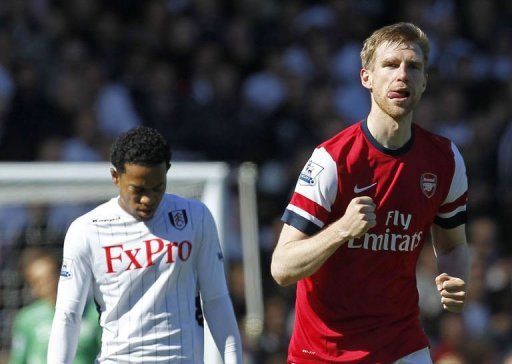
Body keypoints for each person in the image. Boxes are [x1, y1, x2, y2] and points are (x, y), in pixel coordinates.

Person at [271, 22, 470, 363]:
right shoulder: (332, 159)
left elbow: (451, 244)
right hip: (323, 350)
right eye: (391, 65)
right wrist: (342, 229)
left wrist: (454, 275)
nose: (402, 75)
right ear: (367, 77)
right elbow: (282, 267)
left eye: (414, 67)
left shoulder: (445, 160)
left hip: (400, 343)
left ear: (424, 82)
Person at [48, 126, 242, 363]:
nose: (148, 199)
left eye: (157, 187)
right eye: (137, 190)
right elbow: (68, 315)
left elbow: (215, 299)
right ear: (115, 177)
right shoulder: (87, 230)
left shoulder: (195, 217)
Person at [9, 247, 100, 364]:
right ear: (33, 289)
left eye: (51, 276)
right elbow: (17, 360)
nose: (49, 285)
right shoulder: (26, 319)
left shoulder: (95, 312)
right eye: (40, 281)